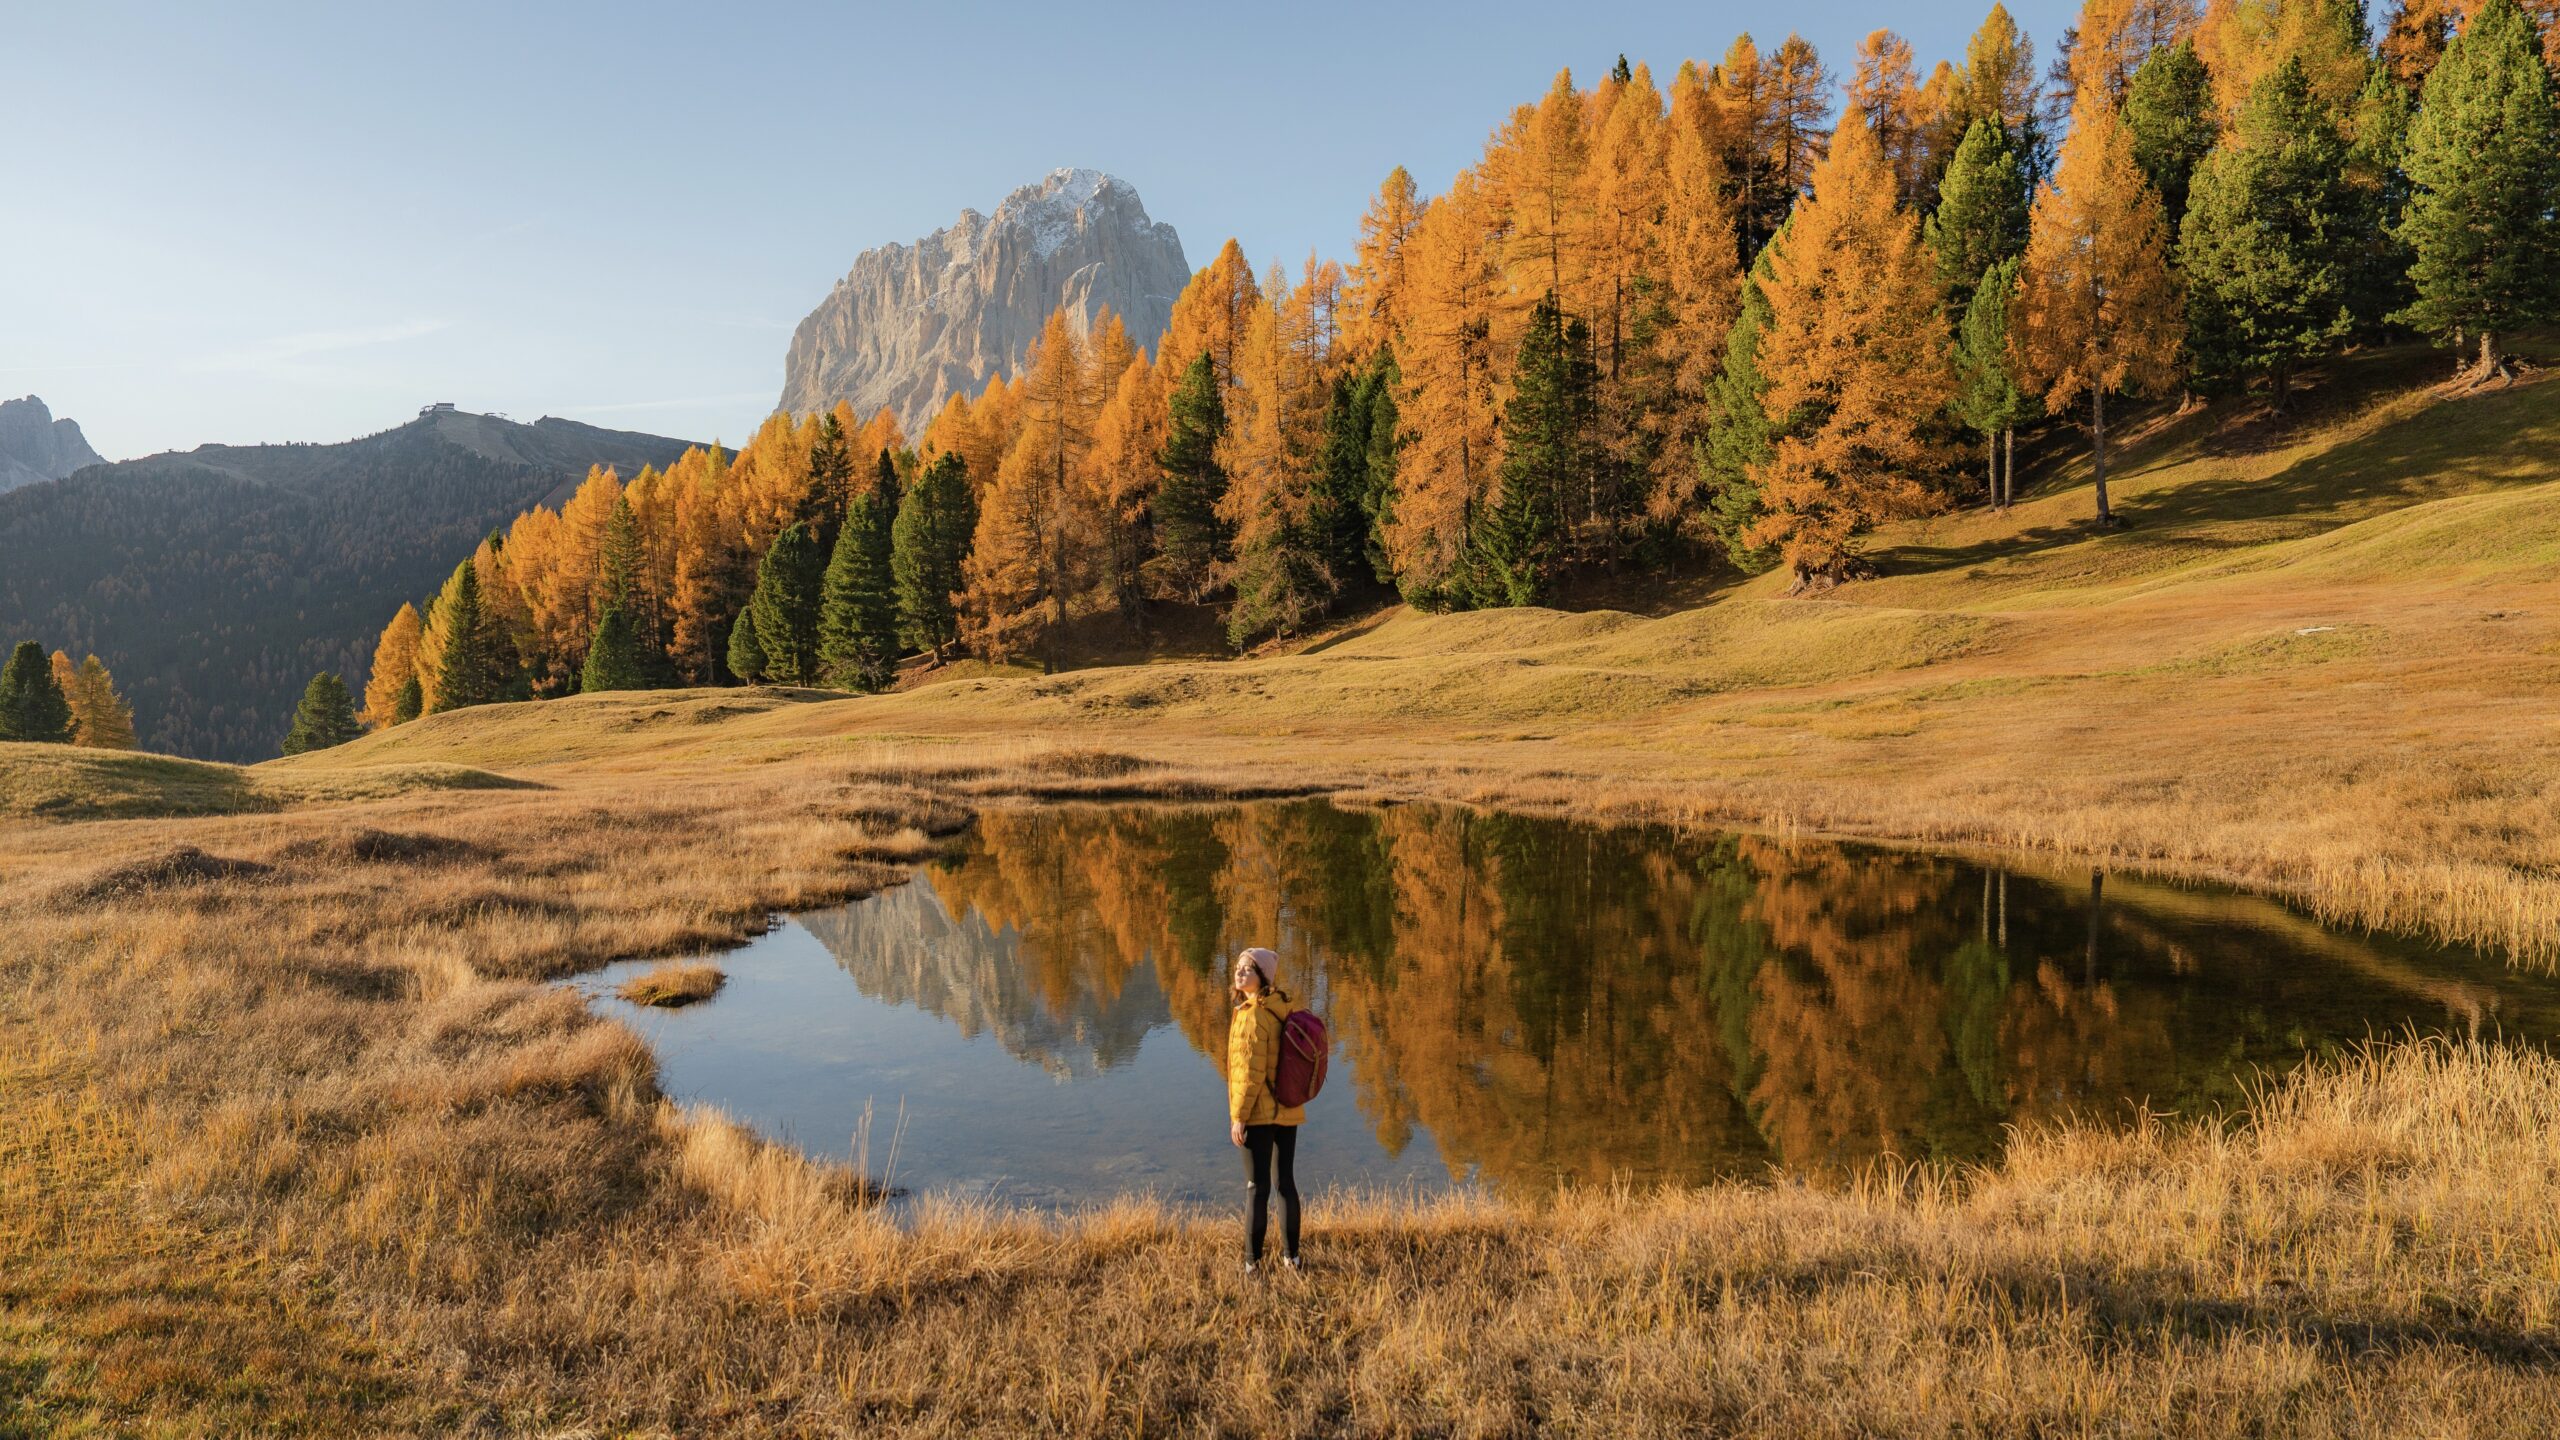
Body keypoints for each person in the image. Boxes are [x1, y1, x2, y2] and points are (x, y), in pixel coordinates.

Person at [1226, 945, 1304, 1274]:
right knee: (1284, 1182)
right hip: (1287, 1109)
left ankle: (1251, 1263)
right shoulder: (1281, 1008)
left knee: (1256, 1187)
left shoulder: (1252, 1015)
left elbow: (1250, 1074)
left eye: (1248, 969)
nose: (1240, 972)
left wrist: (1239, 1117)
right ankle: (1291, 1257)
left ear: (1262, 978)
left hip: (1258, 1113)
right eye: (1239, 967)